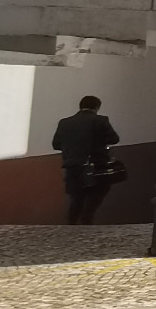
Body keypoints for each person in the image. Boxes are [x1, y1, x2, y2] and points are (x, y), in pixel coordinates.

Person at [53, 95, 120, 225]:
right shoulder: (100, 120)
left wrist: (72, 148)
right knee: (96, 194)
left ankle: (71, 225)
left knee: (76, 197)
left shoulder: (64, 122)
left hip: (72, 166)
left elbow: (56, 145)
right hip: (96, 165)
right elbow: (114, 139)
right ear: (97, 107)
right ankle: (86, 222)